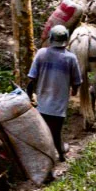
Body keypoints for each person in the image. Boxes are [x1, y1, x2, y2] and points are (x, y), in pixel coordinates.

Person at [26, 24, 82, 162]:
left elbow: (31, 79)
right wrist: (74, 91)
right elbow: (77, 82)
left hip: (41, 103)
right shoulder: (70, 58)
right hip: (59, 105)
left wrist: (29, 96)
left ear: (51, 38)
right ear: (66, 39)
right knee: (56, 132)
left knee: (43, 133)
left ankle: (46, 156)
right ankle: (61, 155)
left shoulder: (41, 53)